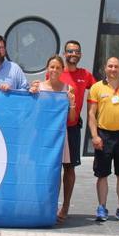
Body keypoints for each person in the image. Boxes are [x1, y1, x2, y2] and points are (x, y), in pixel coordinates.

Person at [87, 57, 119, 223]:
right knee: (102, 174)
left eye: (116, 66)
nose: (113, 69)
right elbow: (91, 114)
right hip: (103, 135)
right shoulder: (96, 88)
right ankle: (102, 207)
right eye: (110, 66)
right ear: (105, 68)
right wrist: (94, 136)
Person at [29, 55, 75, 222]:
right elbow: (32, 113)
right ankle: (40, 205)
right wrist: (31, 94)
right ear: (47, 69)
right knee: (39, 171)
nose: (54, 70)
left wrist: (72, 103)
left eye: (57, 67)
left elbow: (71, 118)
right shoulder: (38, 87)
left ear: (62, 70)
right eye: (51, 67)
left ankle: (58, 207)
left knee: (57, 172)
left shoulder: (67, 89)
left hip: (59, 136)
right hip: (41, 136)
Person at [57, 40, 97, 223]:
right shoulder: (57, 72)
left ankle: (65, 206)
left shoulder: (85, 75)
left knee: (69, 167)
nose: (73, 53)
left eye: (76, 51)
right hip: (55, 128)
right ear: (65, 54)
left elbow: (100, 89)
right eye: (70, 51)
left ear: (80, 55)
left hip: (73, 127)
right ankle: (51, 205)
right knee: (53, 168)